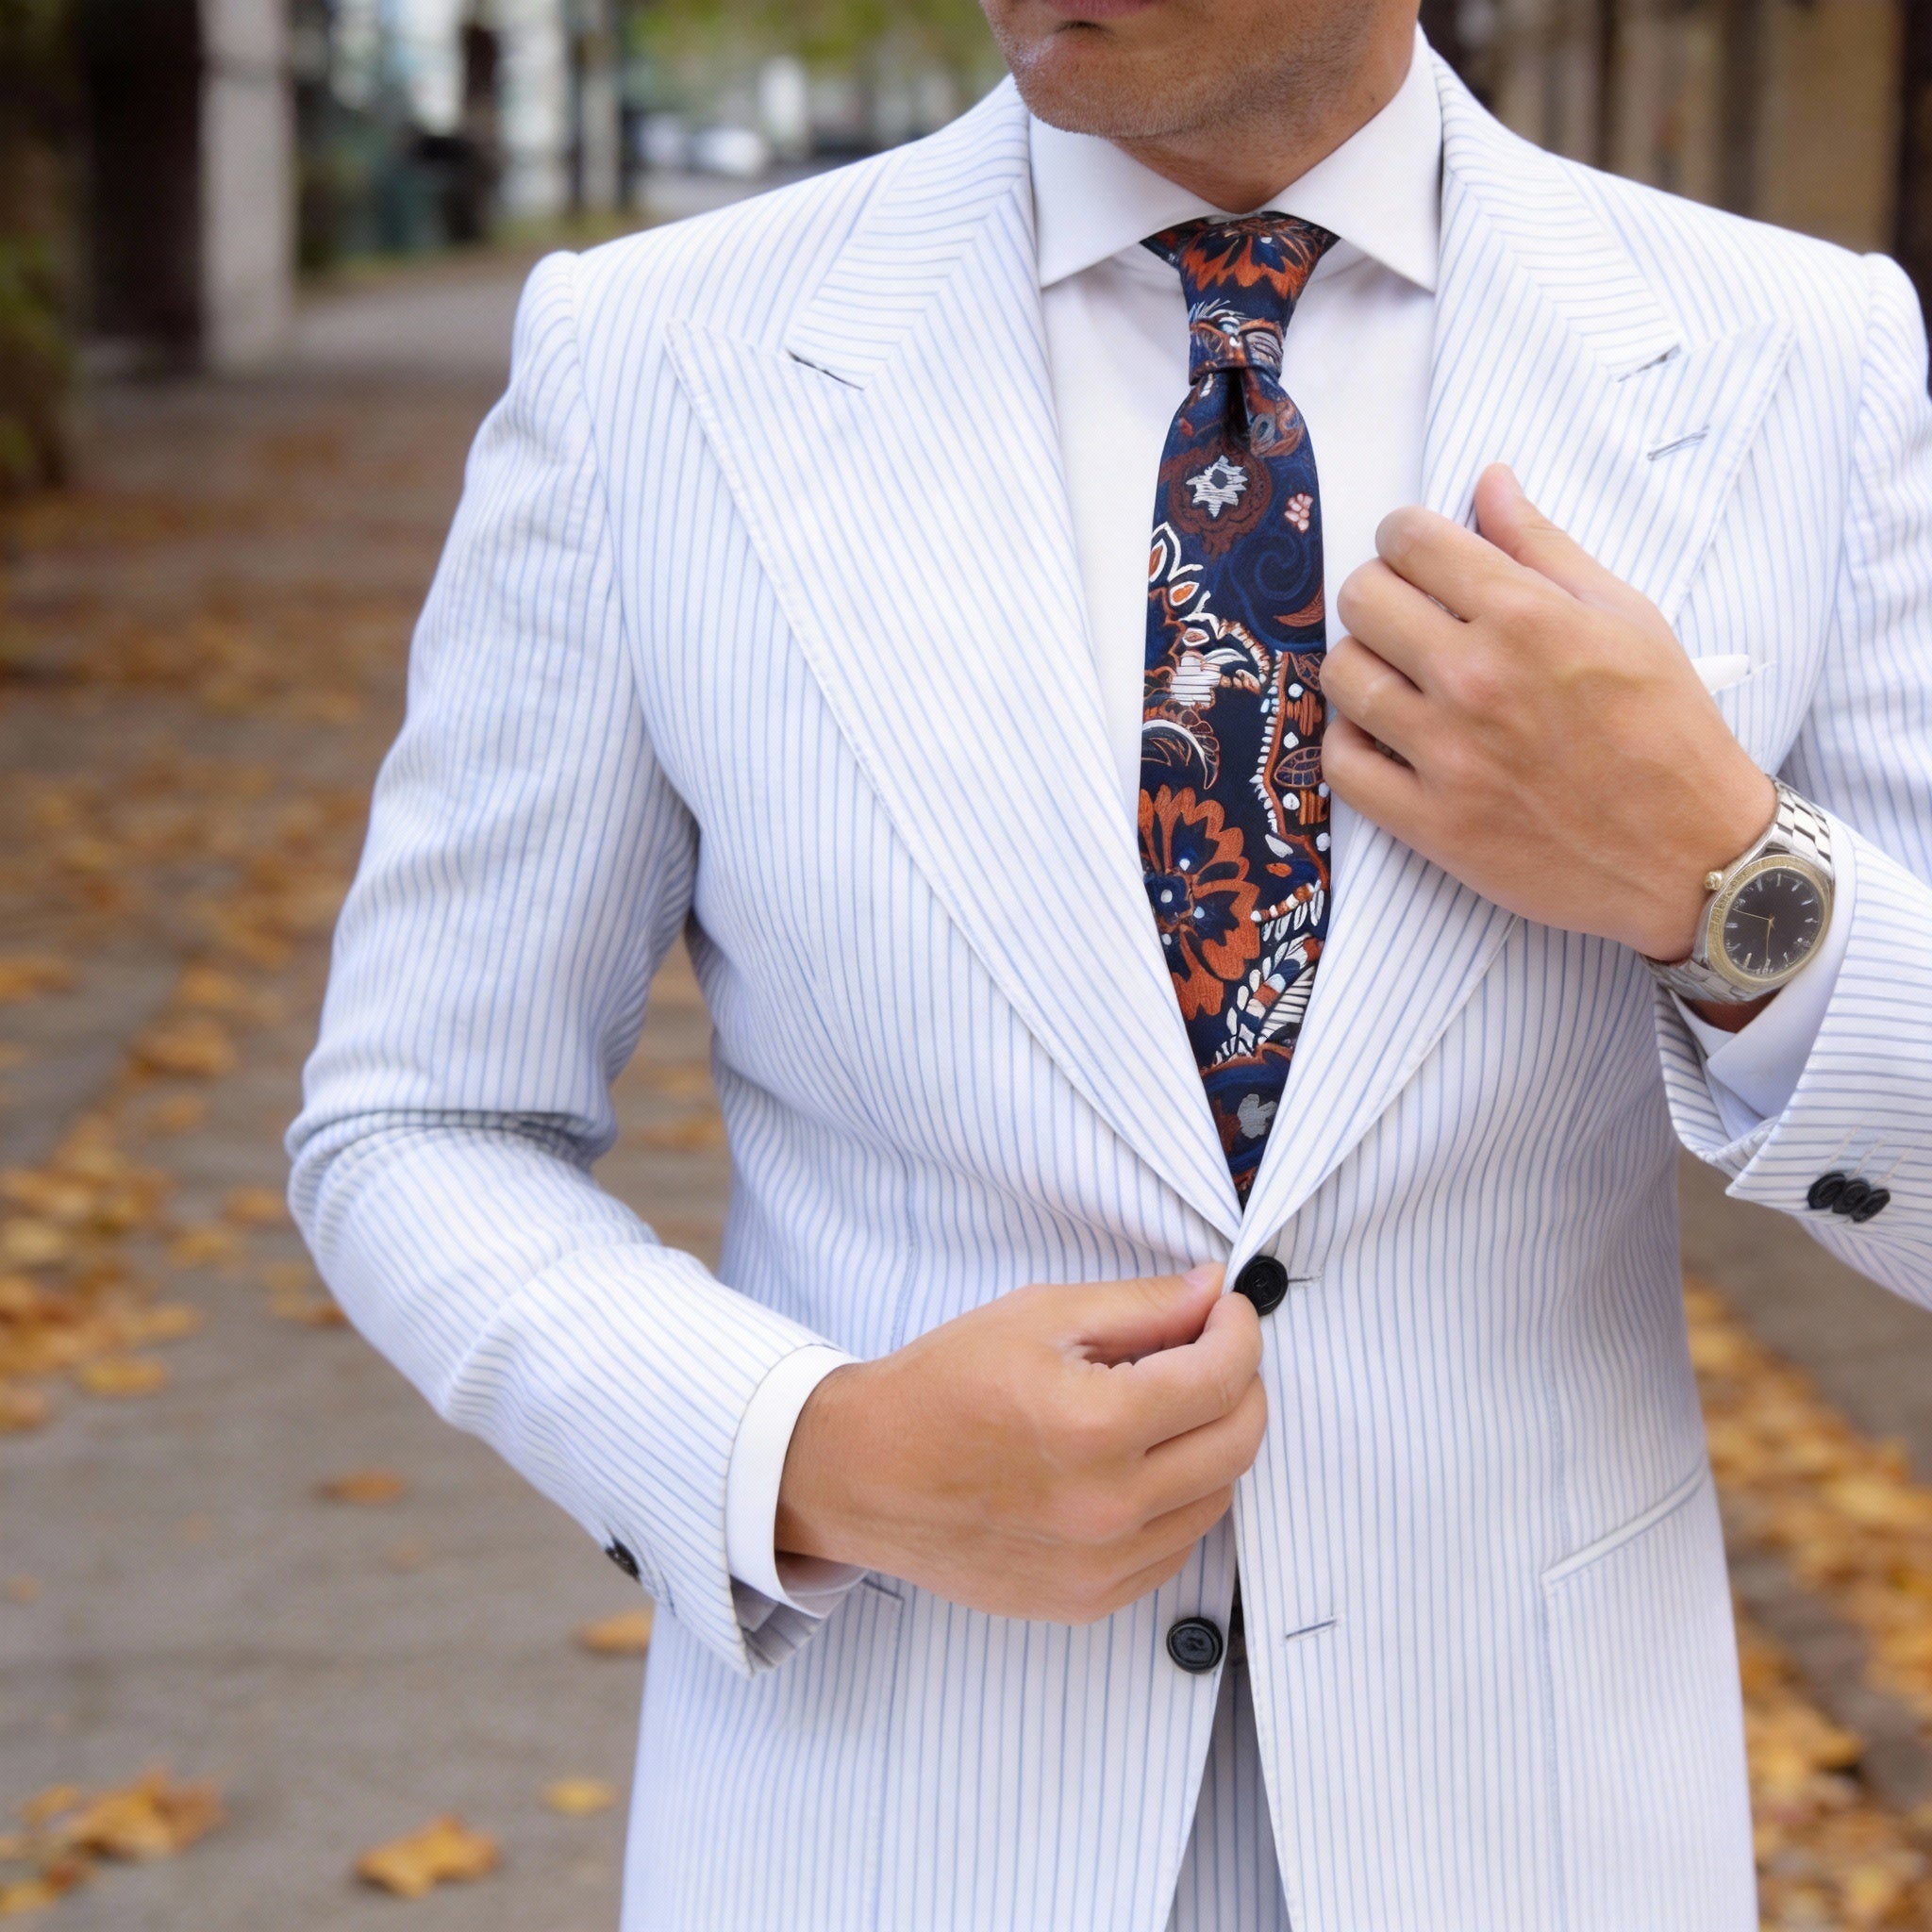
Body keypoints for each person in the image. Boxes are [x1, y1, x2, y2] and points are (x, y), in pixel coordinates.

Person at [288, 1, 1932, 1925]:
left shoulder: (1795, 357)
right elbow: (419, 1118)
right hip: (890, 1822)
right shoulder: (655, 359)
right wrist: (805, 1452)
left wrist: (1725, 876)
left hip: (1535, 1822)